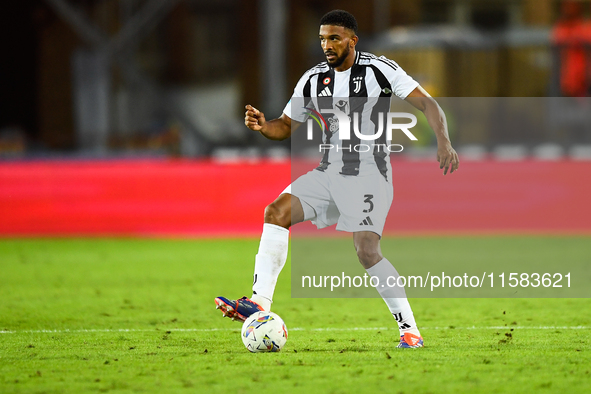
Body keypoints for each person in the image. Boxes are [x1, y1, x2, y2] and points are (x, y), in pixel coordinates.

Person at [215, 9, 459, 348]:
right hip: (329, 172)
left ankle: (410, 331)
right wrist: (263, 125)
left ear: (352, 40)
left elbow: (429, 104)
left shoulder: (380, 70)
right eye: (322, 39)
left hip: (370, 175)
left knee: (366, 251)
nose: (326, 45)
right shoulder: (313, 79)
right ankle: (260, 305)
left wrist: (444, 141)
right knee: (275, 212)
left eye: (334, 38)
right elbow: (285, 126)